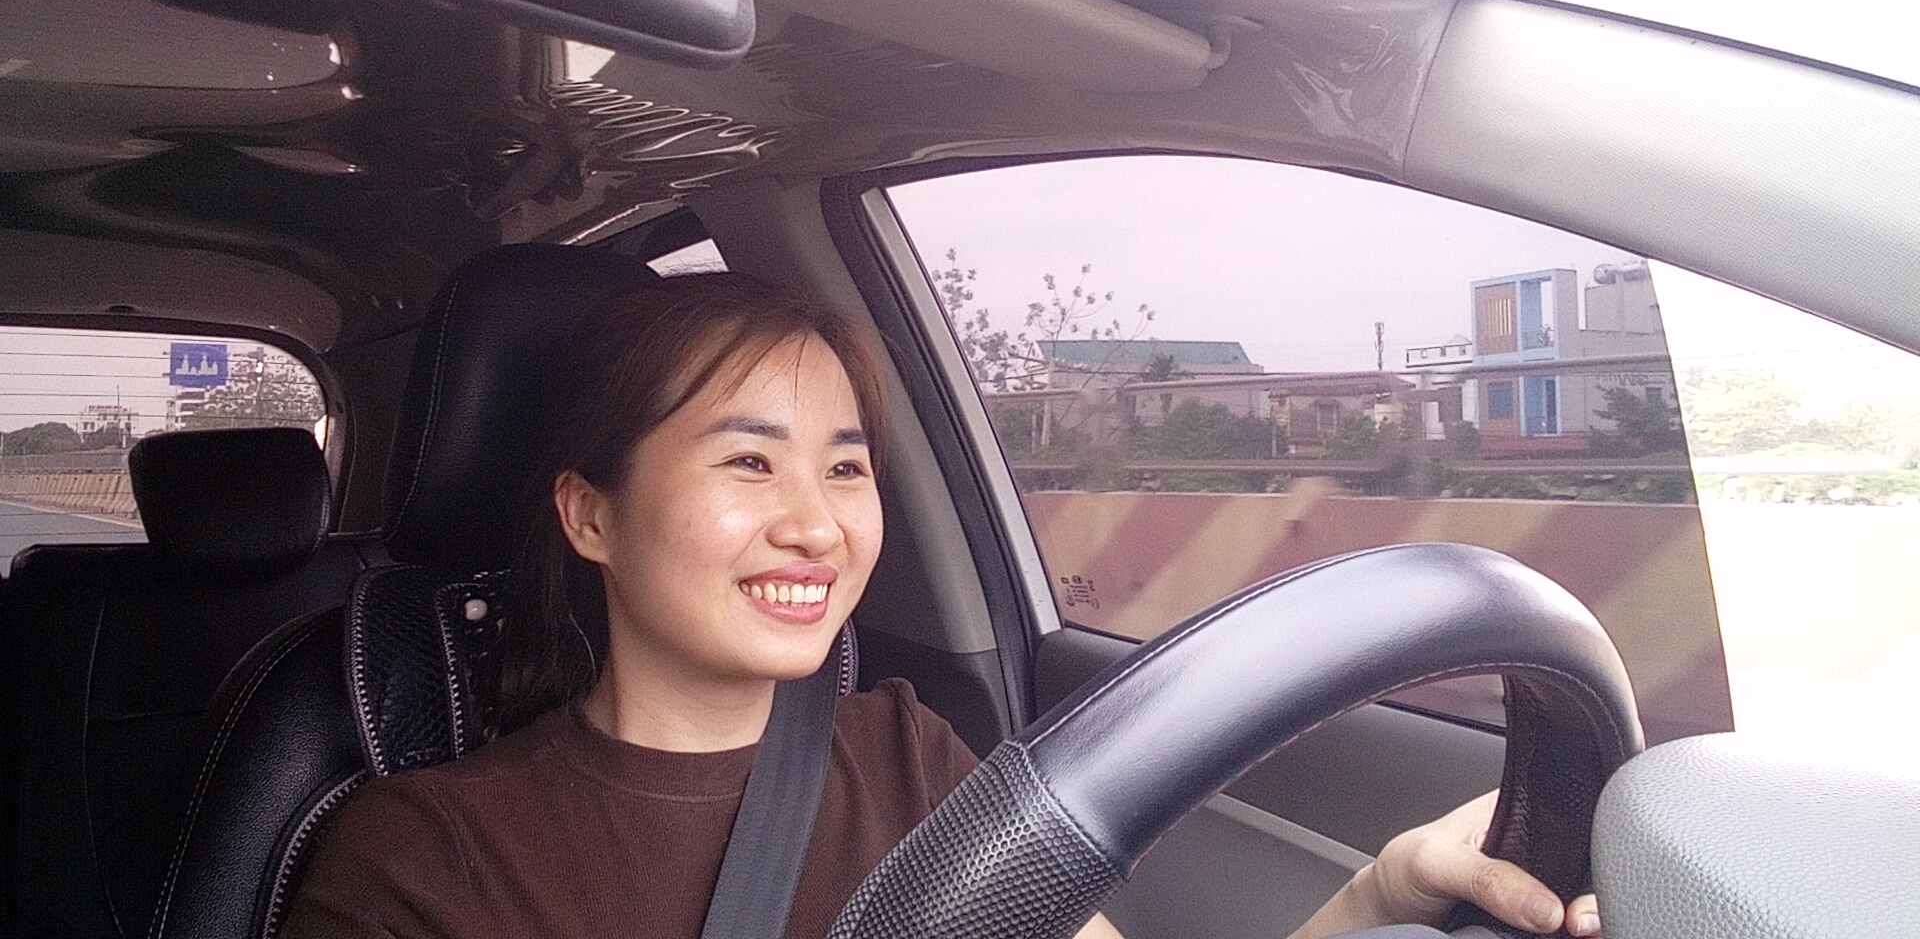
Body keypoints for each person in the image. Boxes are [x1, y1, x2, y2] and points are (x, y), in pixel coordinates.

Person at [282, 273, 1601, 939]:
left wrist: (1374, 900)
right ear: (591, 516)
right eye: (748, 463)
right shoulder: (420, 861)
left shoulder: (903, 752)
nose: (817, 523)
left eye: (847, 467)